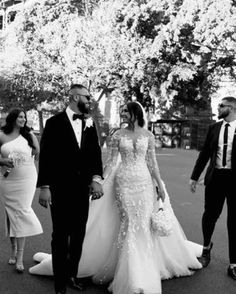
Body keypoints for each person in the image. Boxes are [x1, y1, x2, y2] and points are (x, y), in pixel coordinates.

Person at [30, 101, 202, 294]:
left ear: (135, 113)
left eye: (126, 112)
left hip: (144, 183)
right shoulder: (117, 135)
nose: (123, 115)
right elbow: (111, 162)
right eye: (121, 112)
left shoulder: (149, 135)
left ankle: (145, 264)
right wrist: (99, 181)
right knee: (129, 221)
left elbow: (152, 163)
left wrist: (159, 185)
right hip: (124, 183)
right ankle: (131, 271)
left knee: (144, 223)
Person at [37, 84, 103, 294]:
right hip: (60, 189)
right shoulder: (54, 123)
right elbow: (46, 157)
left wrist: (96, 179)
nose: (89, 100)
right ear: (75, 97)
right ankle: (59, 286)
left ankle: (71, 275)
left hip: (82, 191)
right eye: (86, 97)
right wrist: (45, 187)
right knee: (60, 236)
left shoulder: (91, 124)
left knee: (78, 236)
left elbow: (95, 155)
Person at [189, 96, 236, 280]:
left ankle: (233, 263)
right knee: (210, 215)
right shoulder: (214, 128)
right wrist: (194, 176)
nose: (218, 107)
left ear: (231, 108)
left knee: (234, 221)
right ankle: (206, 248)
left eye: (221, 105)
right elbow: (205, 154)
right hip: (215, 178)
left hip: (234, 180)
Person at [0, 108, 43, 273]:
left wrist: (23, 159)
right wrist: (3, 161)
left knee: (22, 212)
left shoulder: (30, 135)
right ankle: (12, 249)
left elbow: (37, 153)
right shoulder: (2, 135)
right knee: (11, 214)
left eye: (24, 116)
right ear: (12, 118)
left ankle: (19, 256)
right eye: (20, 116)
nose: (23, 119)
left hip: (27, 179)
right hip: (7, 180)